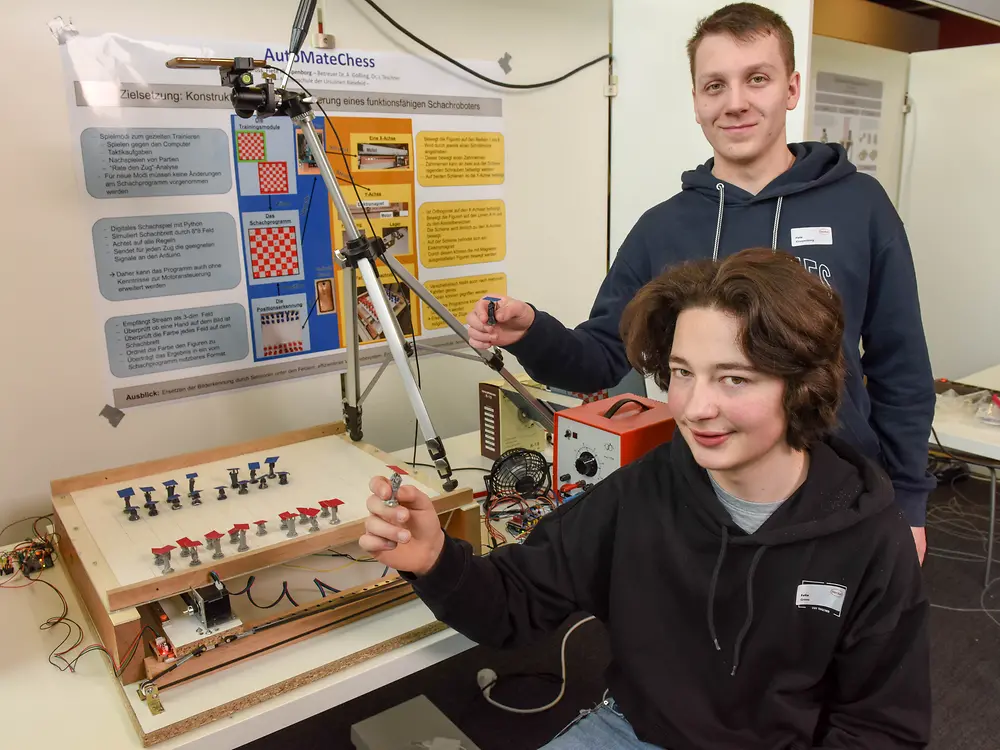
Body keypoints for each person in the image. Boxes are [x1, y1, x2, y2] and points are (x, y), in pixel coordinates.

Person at [362, 248, 932, 749]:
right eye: (683, 372)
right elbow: (514, 604)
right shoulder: (641, 493)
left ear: (803, 384)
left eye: (734, 378)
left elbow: (882, 727)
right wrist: (435, 559)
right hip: (636, 733)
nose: (695, 407)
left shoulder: (868, 535)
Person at [464, 2, 935, 563]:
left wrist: (908, 502)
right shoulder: (664, 228)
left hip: (837, 494)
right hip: (705, 498)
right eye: (715, 85)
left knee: (833, 650)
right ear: (695, 100)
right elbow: (603, 357)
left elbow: (900, 365)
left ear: (791, 87)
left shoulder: (861, 208)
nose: (735, 102)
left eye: (756, 78)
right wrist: (532, 331)